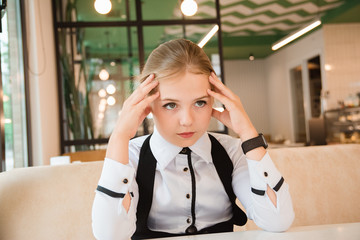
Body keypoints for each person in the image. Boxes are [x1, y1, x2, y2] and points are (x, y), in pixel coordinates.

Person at [92, 39, 294, 240]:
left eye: (200, 102)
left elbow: (278, 221)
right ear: (147, 105)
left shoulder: (232, 151)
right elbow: (110, 236)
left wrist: (248, 133)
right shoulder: (131, 156)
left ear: (214, 100)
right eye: (170, 105)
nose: (187, 121)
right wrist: (119, 137)